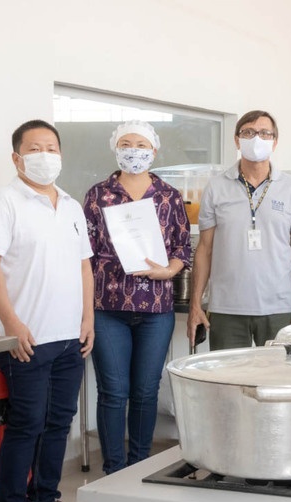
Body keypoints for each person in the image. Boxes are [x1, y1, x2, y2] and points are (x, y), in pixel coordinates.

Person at [0, 120, 94, 502]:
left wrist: (88, 319)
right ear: (16, 157)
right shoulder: (4, 201)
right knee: (26, 425)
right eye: (35, 147)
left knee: (59, 423)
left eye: (52, 147)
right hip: (25, 338)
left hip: (69, 337)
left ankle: (45, 501)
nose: (45, 154)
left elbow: (84, 267)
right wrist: (11, 324)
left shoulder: (72, 205)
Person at [83, 121, 192, 474]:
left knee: (146, 391)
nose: (134, 150)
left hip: (155, 308)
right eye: (126, 143)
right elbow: (84, 251)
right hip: (107, 307)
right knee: (113, 392)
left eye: (141, 144)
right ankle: (114, 470)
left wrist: (169, 271)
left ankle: (139, 466)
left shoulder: (169, 196)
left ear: (154, 151)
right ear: (116, 149)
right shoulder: (98, 194)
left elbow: (182, 247)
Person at [188, 110, 291, 350]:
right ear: (237, 140)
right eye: (249, 132)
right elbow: (205, 250)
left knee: (278, 381)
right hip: (227, 309)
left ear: (275, 141)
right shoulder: (216, 188)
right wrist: (196, 305)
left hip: (280, 308)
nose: (257, 138)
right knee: (229, 383)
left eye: (265, 133)